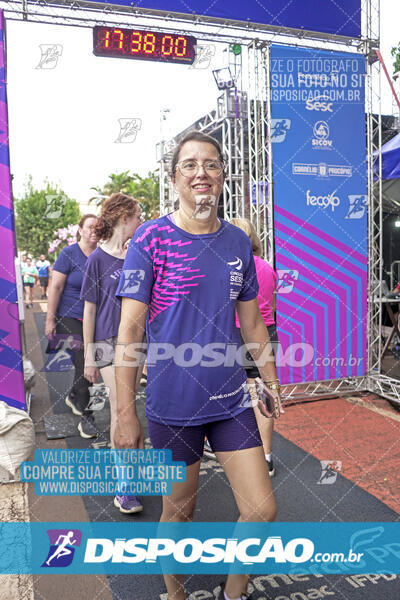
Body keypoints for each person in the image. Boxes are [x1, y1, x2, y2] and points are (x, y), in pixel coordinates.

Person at [114, 131, 284, 600]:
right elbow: (128, 332)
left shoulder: (236, 242)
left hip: (231, 400)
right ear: (175, 178)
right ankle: (175, 594)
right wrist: (125, 413)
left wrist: (269, 381)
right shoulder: (149, 239)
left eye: (210, 164)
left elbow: (251, 323)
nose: (201, 172)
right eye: (189, 165)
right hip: (172, 405)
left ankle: (233, 592)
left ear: (222, 176)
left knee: (262, 509)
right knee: (179, 516)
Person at [81, 193, 143, 513]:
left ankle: (133, 474)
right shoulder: (96, 260)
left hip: (136, 343)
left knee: (135, 412)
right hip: (107, 343)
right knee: (121, 407)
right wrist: (89, 356)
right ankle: (124, 488)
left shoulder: (138, 255)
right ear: (123, 218)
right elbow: (89, 312)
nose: (141, 221)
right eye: (137, 216)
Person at [230, 218, 278, 477]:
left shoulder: (230, 268)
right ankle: (266, 457)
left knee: (238, 396)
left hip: (237, 333)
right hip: (268, 334)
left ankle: (242, 455)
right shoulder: (267, 267)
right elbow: (270, 306)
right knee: (264, 394)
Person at [45, 214, 98, 438]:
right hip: (69, 316)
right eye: (90, 227)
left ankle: (74, 394)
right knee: (84, 358)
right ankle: (88, 416)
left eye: (98, 227)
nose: (94, 231)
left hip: (94, 317)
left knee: (93, 361)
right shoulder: (68, 254)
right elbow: (55, 287)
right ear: (80, 229)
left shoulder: (101, 254)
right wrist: (49, 318)